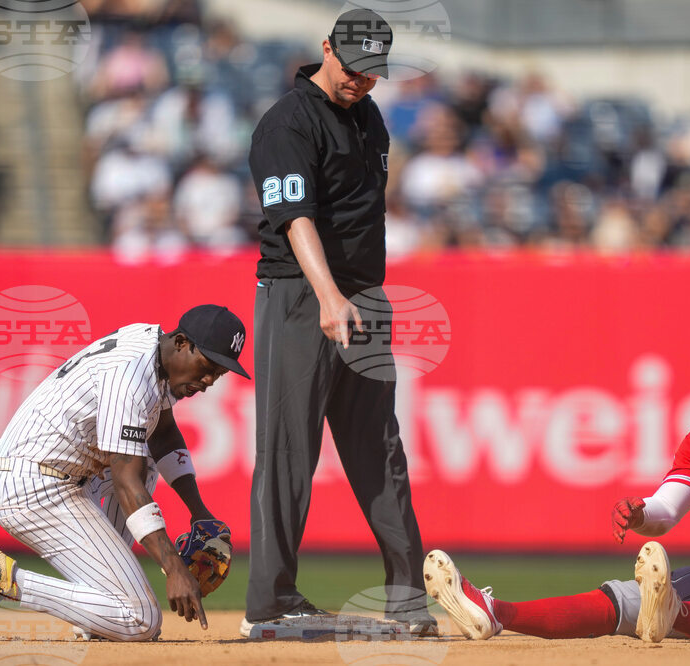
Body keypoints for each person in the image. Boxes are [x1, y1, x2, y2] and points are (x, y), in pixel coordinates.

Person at [424, 328, 690, 643]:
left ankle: (674, 610)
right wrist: (641, 514)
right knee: (624, 596)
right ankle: (496, 612)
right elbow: (667, 509)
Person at [245, 8, 436, 637]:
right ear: (326, 48)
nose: (361, 80)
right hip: (302, 296)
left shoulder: (368, 115)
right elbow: (295, 218)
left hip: (366, 296)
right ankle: (271, 602)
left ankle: (409, 600)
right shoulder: (287, 123)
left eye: (374, 72)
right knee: (288, 450)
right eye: (353, 68)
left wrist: (360, 297)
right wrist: (329, 297)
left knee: (381, 451)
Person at [0, 305, 250, 642]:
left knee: (143, 458)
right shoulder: (131, 378)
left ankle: (101, 611)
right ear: (181, 343)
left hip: (60, 473)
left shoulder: (152, 347)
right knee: (141, 620)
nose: (208, 382)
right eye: (206, 367)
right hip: (31, 485)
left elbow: (161, 433)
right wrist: (173, 565)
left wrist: (200, 514)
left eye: (218, 374)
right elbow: (126, 482)